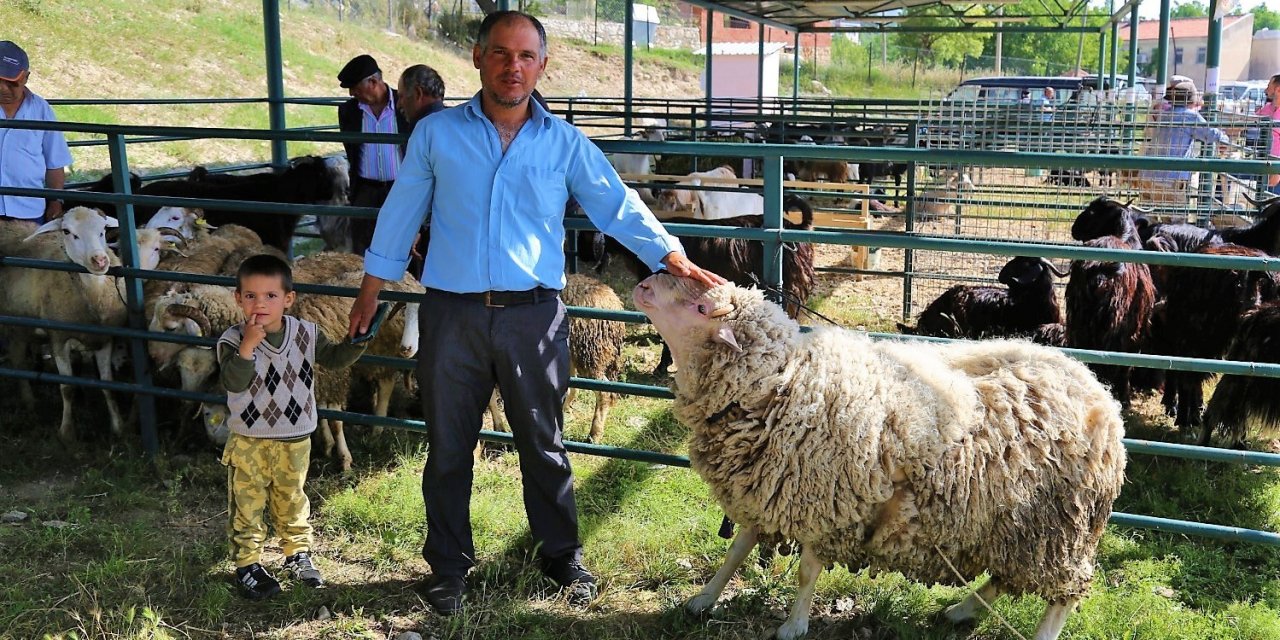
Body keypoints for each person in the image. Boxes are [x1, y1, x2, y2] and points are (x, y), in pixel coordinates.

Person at [346, 10, 724, 616]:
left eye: (526, 56)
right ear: (476, 57)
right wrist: (371, 287)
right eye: (500, 53)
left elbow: (614, 201)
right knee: (448, 446)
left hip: (533, 315)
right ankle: (447, 567)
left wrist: (670, 253)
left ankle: (561, 556)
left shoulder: (564, 142)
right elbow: (401, 210)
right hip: (453, 312)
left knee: (543, 444)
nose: (512, 66)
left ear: (542, 65)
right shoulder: (437, 134)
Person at [218, 254, 370, 599]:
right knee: (248, 503)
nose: (261, 304)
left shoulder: (306, 333)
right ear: (238, 299)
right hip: (250, 440)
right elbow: (234, 382)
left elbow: (333, 358)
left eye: (271, 296)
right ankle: (248, 564)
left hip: (296, 436)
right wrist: (247, 347)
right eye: (251, 296)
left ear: (288, 299)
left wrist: (358, 341)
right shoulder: (231, 339)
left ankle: (297, 553)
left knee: (292, 498)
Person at [338, 54, 410, 256]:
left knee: (406, 245)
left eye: (356, 87)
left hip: (401, 188)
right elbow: (351, 150)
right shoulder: (348, 111)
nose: (352, 93)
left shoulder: (405, 103)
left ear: (374, 82)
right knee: (363, 248)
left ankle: (407, 286)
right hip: (365, 190)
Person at [0, 41, 71, 224]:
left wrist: (56, 200)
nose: (3, 89)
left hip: (28, 209)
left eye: (11, 83)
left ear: (26, 78)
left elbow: (55, 161)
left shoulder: (41, 110)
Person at [1136, 79, 1229, 205]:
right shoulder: (1190, 117)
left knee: (1149, 219)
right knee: (1175, 221)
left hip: (1148, 176)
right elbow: (1210, 134)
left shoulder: (1164, 115)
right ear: (1192, 100)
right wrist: (1225, 139)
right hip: (1170, 180)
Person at [396, 63, 448, 279]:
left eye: (401, 96)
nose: (399, 104)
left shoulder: (425, 130)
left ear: (417, 93)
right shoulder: (456, 123)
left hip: (436, 230)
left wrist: (418, 227)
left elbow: (425, 187)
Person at [1257, 74, 1280, 194]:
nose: (1266, 90)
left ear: (1278, 90)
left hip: (1276, 166)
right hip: (1265, 161)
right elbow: (1248, 122)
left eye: (1268, 86)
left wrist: (1278, 170)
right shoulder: (1268, 108)